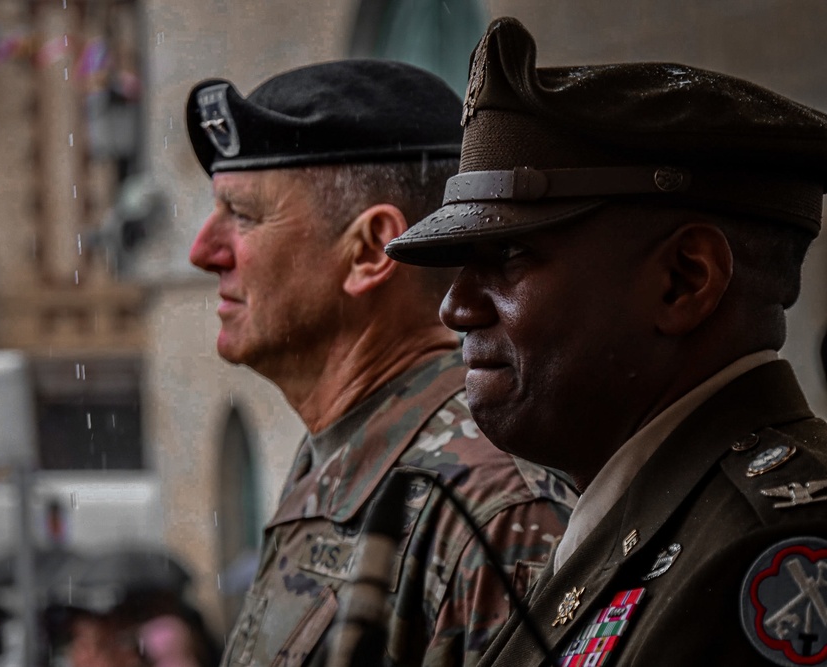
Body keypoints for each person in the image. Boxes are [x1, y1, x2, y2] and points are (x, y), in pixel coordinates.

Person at [386, 16, 827, 667]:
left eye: (507, 255)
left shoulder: (770, 547)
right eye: (461, 264)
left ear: (684, 280)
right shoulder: (641, 520)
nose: (456, 305)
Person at [186, 59, 577, 667]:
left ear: (369, 250)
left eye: (243, 216)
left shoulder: (491, 510)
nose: (203, 252)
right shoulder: (343, 454)